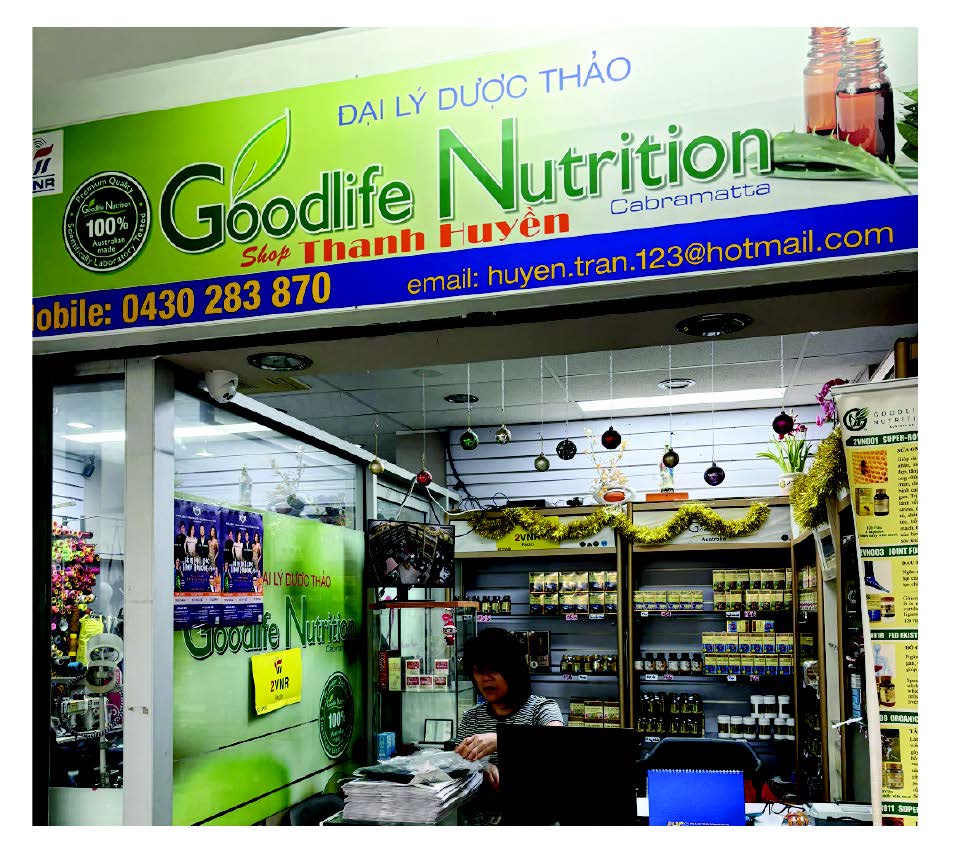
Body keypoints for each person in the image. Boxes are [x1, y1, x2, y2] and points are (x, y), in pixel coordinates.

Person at [454, 628, 563, 824]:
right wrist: (480, 768)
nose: (485, 678)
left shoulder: (541, 709)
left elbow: (557, 744)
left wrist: (502, 740)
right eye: (479, 671)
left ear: (513, 671)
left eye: (494, 670)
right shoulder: (471, 717)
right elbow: (456, 767)